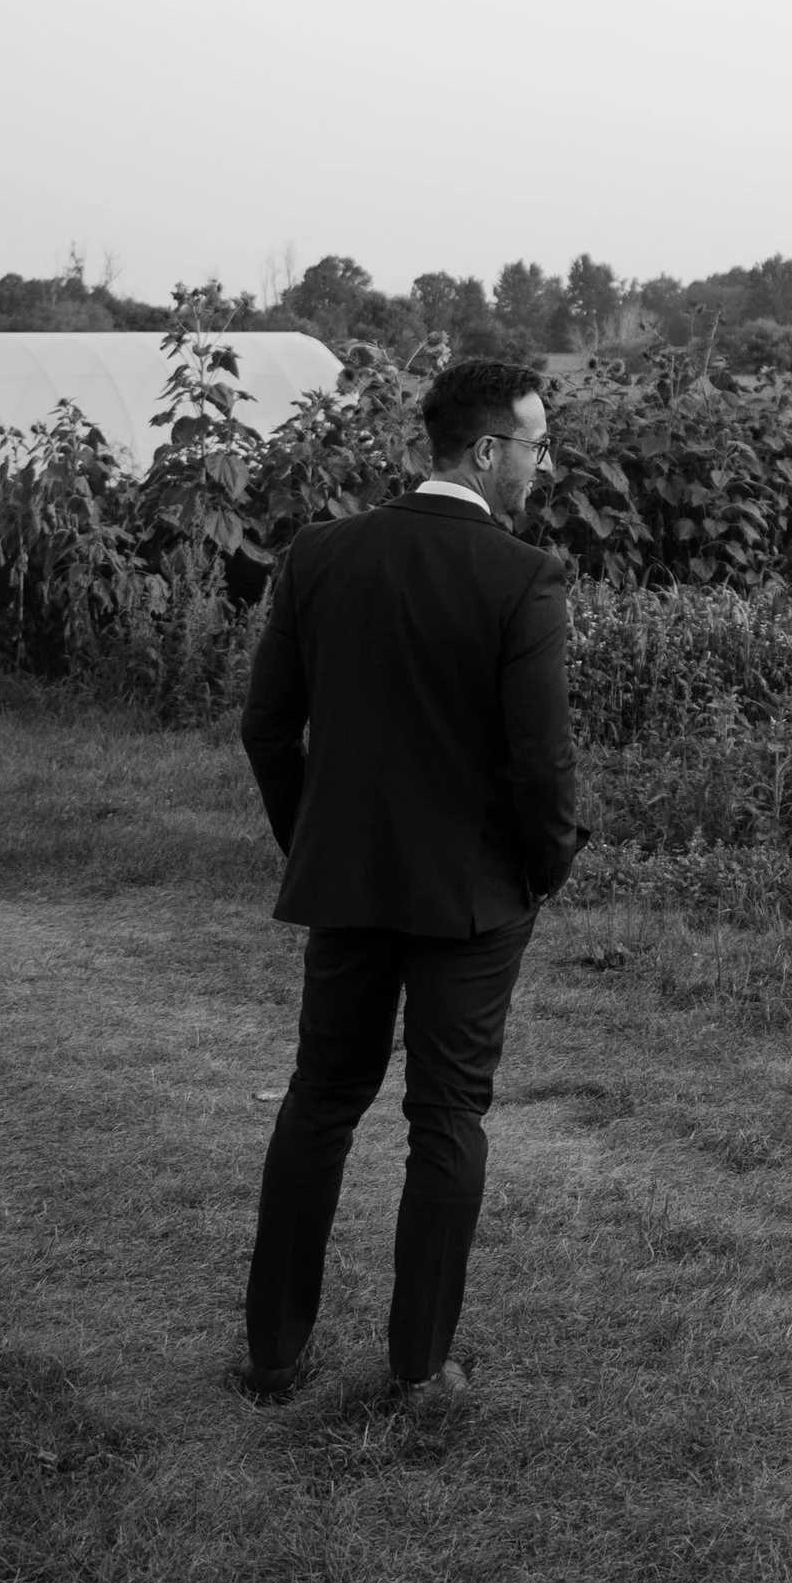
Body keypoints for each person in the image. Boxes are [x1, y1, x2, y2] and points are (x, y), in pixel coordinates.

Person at [231, 356, 582, 1404]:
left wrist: (318, 846)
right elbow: (541, 760)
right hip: (470, 896)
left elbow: (265, 727)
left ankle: (273, 1356)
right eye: (535, 443)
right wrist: (544, 864)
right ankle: (421, 1367)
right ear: (485, 451)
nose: (544, 461)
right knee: (448, 1117)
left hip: (348, 881)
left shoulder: (320, 554)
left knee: (320, 1102)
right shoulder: (522, 577)